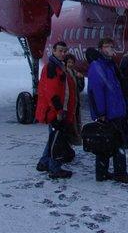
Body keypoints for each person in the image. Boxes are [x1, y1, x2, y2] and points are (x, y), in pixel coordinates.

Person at [87, 38, 128, 184]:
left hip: (116, 110)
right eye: (107, 46)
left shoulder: (110, 65)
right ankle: (120, 173)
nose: (110, 49)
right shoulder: (98, 66)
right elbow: (96, 91)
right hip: (109, 113)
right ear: (100, 49)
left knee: (106, 142)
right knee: (117, 143)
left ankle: (102, 173)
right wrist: (101, 113)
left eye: (111, 46)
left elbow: (115, 89)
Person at [35, 41, 77, 179]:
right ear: (53, 51)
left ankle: (44, 162)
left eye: (64, 51)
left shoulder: (60, 67)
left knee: (53, 137)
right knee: (56, 140)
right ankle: (54, 168)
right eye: (60, 51)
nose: (63, 53)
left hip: (59, 109)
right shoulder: (52, 67)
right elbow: (51, 92)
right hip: (56, 111)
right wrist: (58, 110)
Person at [64, 53, 84, 146]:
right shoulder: (64, 73)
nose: (70, 64)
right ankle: (68, 144)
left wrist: (81, 79)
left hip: (75, 102)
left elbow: (79, 88)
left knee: (75, 123)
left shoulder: (74, 73)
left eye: (72, 62)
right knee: (70, 125)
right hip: (69, 103)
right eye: (68, 62)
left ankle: (71, 143)